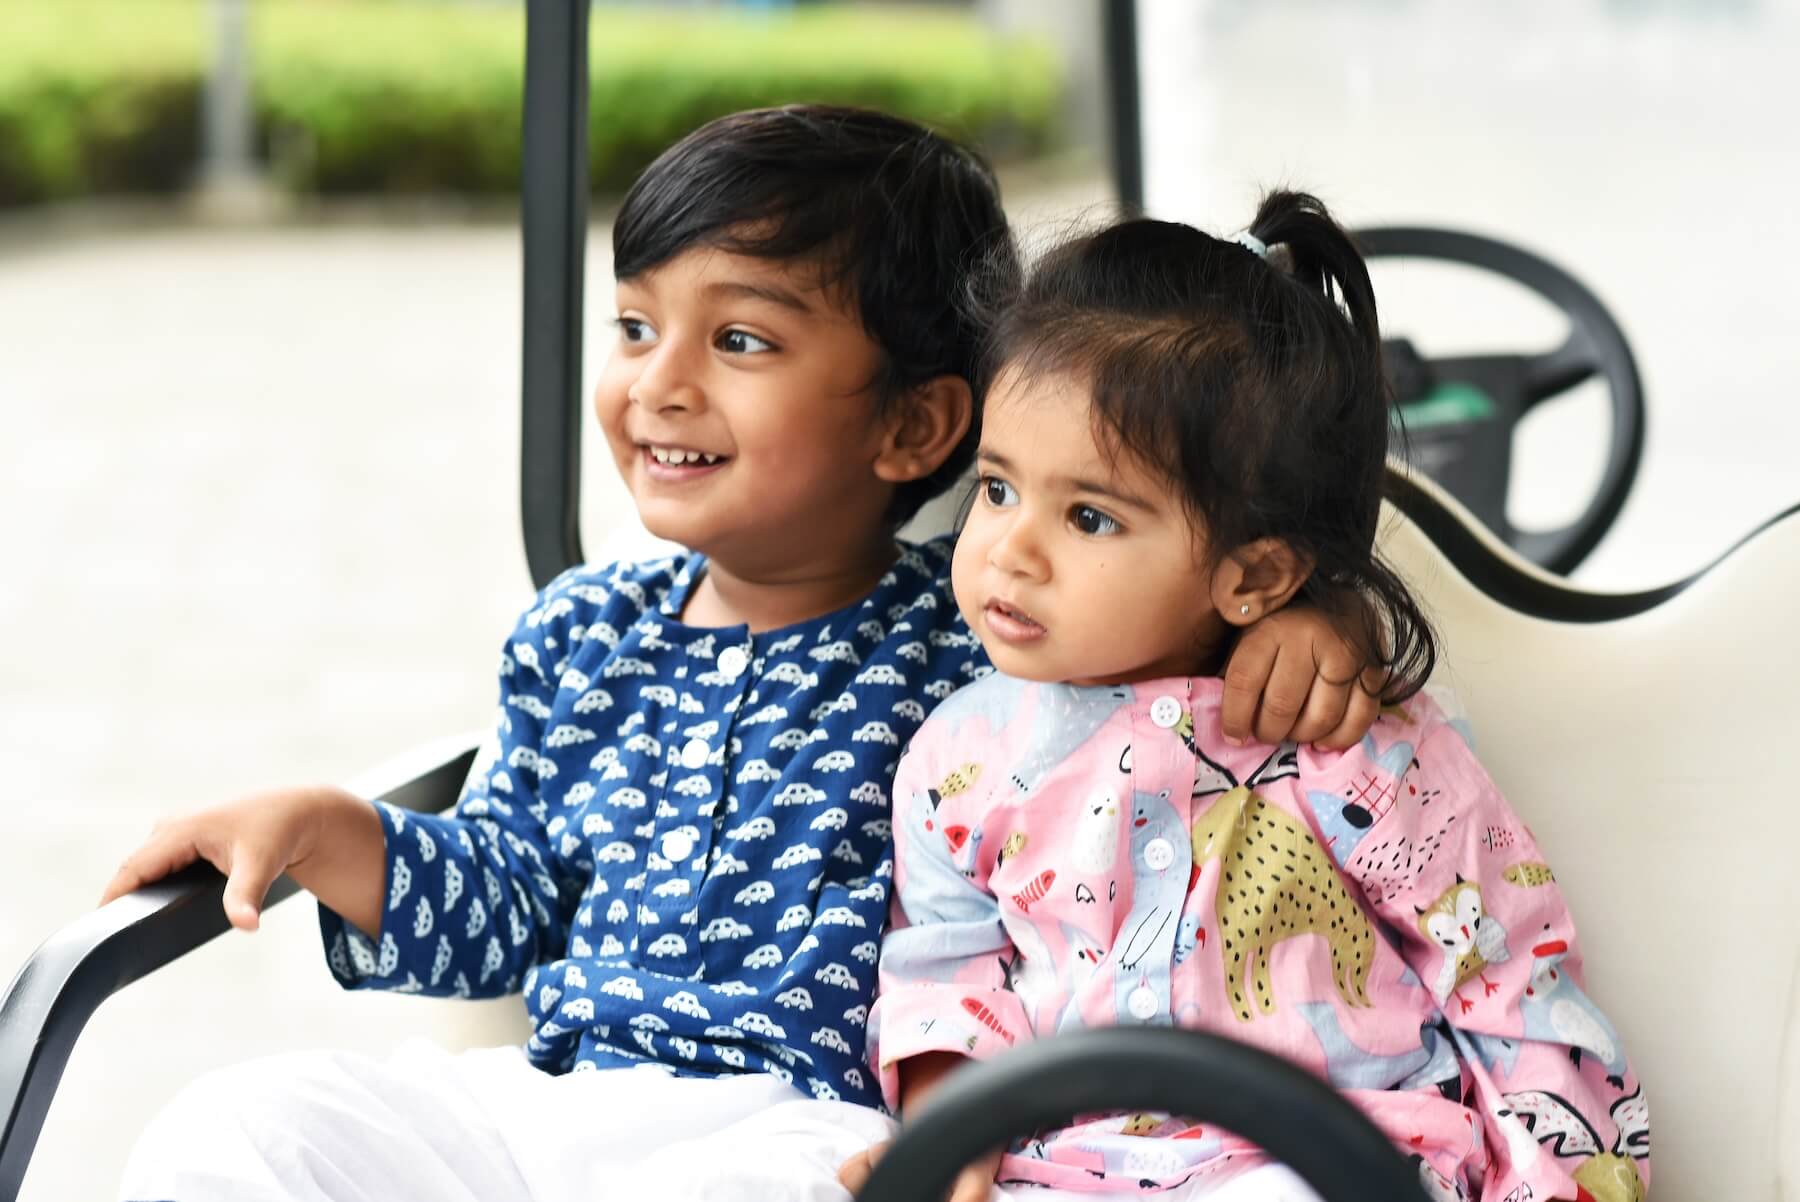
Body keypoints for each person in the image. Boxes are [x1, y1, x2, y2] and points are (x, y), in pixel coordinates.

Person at [101, 110, 1385, 1202]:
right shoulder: (580, 633)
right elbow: (509, 899)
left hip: (806, 1123)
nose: (658, 383)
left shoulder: (983, 633)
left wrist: (1315, 620)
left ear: (913, 425)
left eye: (740, 341)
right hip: (553, 1099)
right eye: (635, 326)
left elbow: (1165, 642)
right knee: (247, 1124)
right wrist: (333, 831)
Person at [838, 197, 1649, 1202]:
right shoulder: (955, 759)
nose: (1009, 549)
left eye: (1089, 516)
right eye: (999, 489)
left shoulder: (1359, 745)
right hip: (1063, 1171)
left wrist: (1562, 1180)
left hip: (1328, 1164)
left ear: (1254, 575)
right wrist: (946, 1139)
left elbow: (1504, 975)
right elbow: (944, 977)